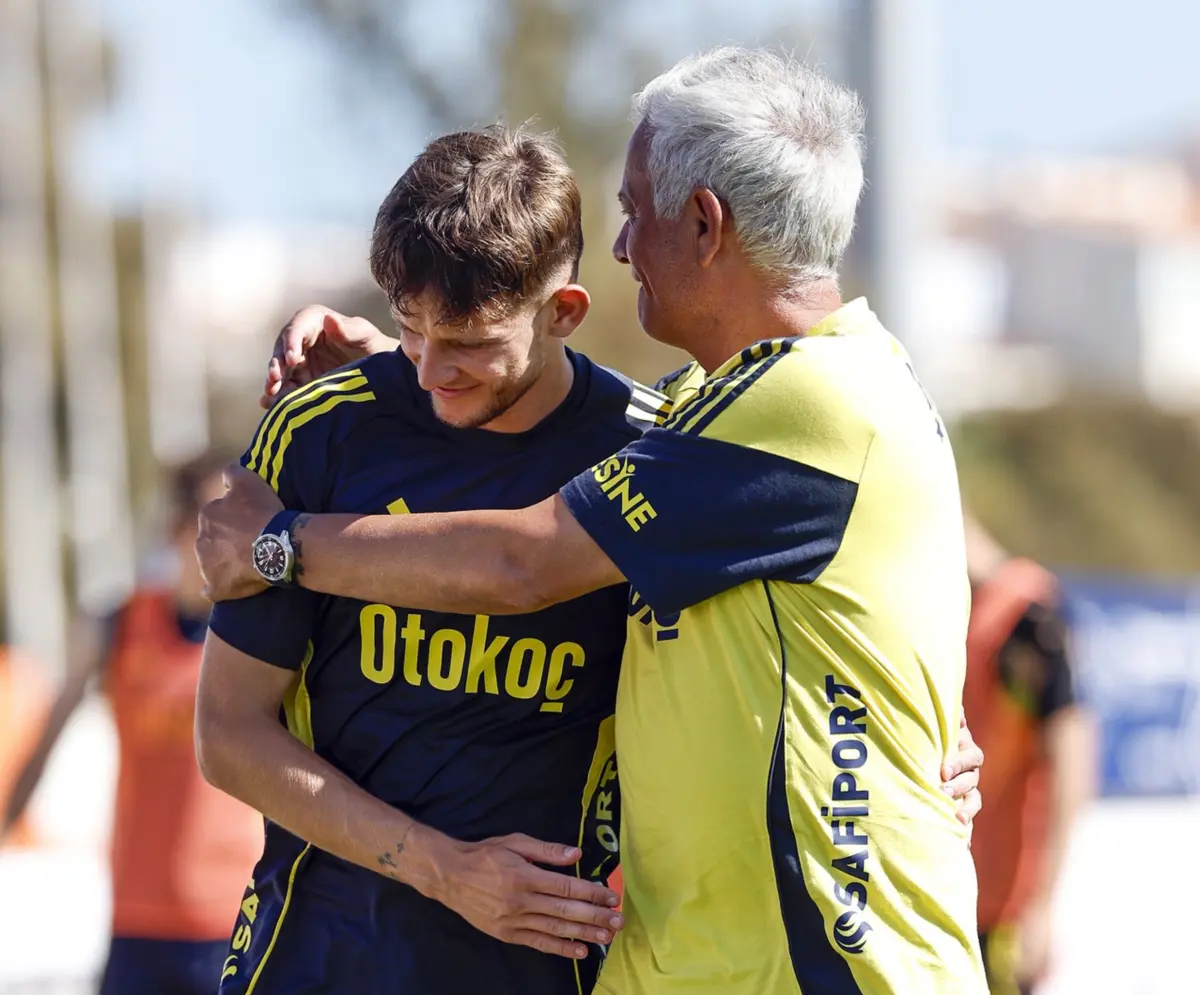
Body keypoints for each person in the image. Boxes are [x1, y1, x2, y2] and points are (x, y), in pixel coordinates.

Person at [198, 47, 988, 994]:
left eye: (634, 210)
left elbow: (518, 563)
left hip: (803, 961)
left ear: (704, 225)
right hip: (363, 963)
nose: (621, 246)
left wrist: (276, 543)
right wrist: (417, 373)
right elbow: (230, 733)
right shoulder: (700, 415)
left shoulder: (772, 412)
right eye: (416, 331)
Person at [1, 454, 264, 995]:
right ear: (177, 529)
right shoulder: (115, 626)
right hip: (138, 920)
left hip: (238, 917)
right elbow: (44, 745)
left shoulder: (265, 633)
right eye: (215, 517)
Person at [963, 516, 1096, 995]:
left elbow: (1073, 756)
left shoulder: (1027, 618)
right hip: (956, 898)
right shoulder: (962, 612)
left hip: (1004, 911)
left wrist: (1042, 905)